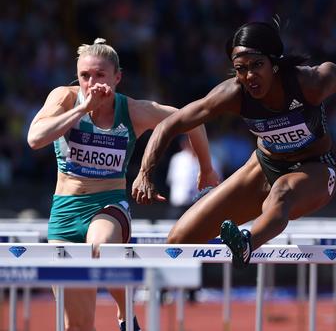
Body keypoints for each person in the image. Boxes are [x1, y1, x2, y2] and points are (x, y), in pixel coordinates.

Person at [132, 21, 336, 268]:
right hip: (265, 165)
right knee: (179, 238)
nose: (249, 76)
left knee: (281, 193)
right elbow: (169, 125)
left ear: (275, 64)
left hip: (316, 168)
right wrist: (144, 172)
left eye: (257, 65)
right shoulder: (234, 93)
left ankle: (246, 244)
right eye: (240, 68)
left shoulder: (309, 83)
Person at [27, 38, 219, 330]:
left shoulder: (133, 111)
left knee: (99, 246)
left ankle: (124, 310)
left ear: (117, 77)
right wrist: (82, 109)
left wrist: (206, 169)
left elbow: (193, 119)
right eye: (85, 76)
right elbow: (35, 138)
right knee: (76, 326)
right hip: (64, 214)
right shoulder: (64, 98)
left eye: (100, 75)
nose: (92, 83)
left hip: (108, 207)